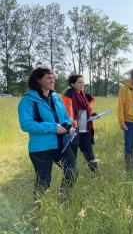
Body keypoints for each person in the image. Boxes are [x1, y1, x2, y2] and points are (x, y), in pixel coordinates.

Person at [18, 67, 78, 205]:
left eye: (53, 77)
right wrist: (52, 127)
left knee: (72, 172)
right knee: (44, 181)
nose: (53, 80)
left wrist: (68, 126)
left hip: (62, 144)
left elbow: (64, 116)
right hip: (41, 148)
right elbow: (26, 124)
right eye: (48, 78)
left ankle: (63, 201)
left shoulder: (57, 97)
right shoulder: (27, 101)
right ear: (38, 80)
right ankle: (37, 208)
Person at [62, 74, 98, 173]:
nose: (82, 85)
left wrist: (92, 115)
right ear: (73, 84)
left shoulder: (85, 97)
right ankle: (71, 179)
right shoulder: (67, 98)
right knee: (72, 159)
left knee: (90, 157)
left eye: (83, 83)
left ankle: (97, 176)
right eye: (79, 82)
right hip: (73, 132)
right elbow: (65, 115)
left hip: (85, 131)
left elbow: (85, 113)